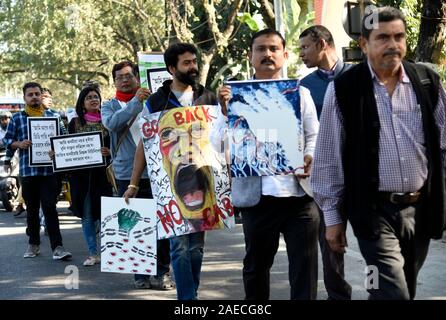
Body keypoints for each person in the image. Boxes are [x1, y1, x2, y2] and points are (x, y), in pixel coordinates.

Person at [311, 6, 446, 300]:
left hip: (421, 210)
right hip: (372, 213)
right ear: (364, 44)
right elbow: (328, 159)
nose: (393, 45)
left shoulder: (426, 82)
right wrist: (332, 220)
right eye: (383, 37)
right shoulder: (345, 89)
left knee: (396, 287)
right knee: (393, 291)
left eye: (399, 36)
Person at [218, 29, 320, 300]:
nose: (267, 54)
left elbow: (314, 135)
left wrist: (309, 156)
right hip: (258, 199)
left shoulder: (301, 93)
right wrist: (226, 114)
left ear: (285, 55)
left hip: (300, 196)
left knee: (305, 269)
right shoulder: (232, 97)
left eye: (274, 48)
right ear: (250, 56)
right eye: (261, 49)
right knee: (256, 268)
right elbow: (219, 146)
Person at [124, 43, 217, 300]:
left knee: (196, 247)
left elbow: (221, 136)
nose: (193, 67)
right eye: (186, 63)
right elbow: (144, 142)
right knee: (179, 246)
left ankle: (191, 292)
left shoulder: (208, 97)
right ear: (171, 68)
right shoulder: (155, 102)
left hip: (203, 180)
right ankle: (187, 300)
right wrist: (133, 183)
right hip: (170, 184)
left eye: (194, 61)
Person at [101, 61, 173, 290]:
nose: (124, 79)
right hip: (125, 173)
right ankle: (140, 274)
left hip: (156, 169)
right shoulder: (109, 106)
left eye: (128, 75)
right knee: (133, 223)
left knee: (161, 224)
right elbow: (112, 124)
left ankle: (162, 272)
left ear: (136, 77)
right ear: (114, 81)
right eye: (119, 77)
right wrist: (135, 102)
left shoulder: (152, 101)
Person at [298, 25, 352, 300]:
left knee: (376, 242)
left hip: (361, 174)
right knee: (330, 243)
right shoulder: (304, 87)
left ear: (321, 44)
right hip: (324, 177)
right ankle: (338, 296)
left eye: (305, 47)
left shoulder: (357, 77)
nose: (301, 54)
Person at [2, 82, 71, 260]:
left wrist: (58, 148)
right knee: (32, 210)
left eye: (37, 94)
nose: (34, 97)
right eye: (30, 94)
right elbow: (7, 141)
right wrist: (18, 145)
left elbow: (64, 140)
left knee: (49, 207)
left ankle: (58, 247)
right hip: (28, 172)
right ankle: (33, 245)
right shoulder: (17, 118)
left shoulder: (53, 116)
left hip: (49, 172)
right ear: (24, 97)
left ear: (41, 96)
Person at [63, 86, 112, 266]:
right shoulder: (75, 123)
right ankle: (93, 253)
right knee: (87, 215)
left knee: (106, 214)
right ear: (82, 103)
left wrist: (109, 152)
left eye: (96, 97)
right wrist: (57, 155)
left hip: (104, 176)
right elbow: (67, 148)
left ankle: (111, 251)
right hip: (82, 178)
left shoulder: (108, 121)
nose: (93, 100)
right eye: (89, 97)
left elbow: (116, 145)